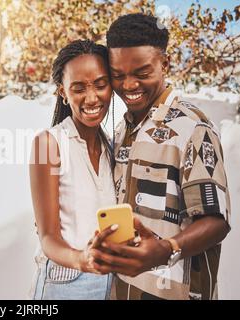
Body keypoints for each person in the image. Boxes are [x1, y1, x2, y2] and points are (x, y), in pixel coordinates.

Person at [89, 13, 231, 300]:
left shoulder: (192, 127)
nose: (128, 86)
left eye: (142, 73)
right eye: (118, 75)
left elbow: (216, 221)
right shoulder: (121, 129)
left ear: (165, 64)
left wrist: (167, 249)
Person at [28, 39, 118, 300]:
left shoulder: (112, 147)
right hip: (65, 283)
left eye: (100, 85)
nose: (92, 98)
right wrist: (82, 260)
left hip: (109, 283)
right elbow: (48, 237)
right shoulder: (48, 143)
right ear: (63, 92)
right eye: (79, 88)